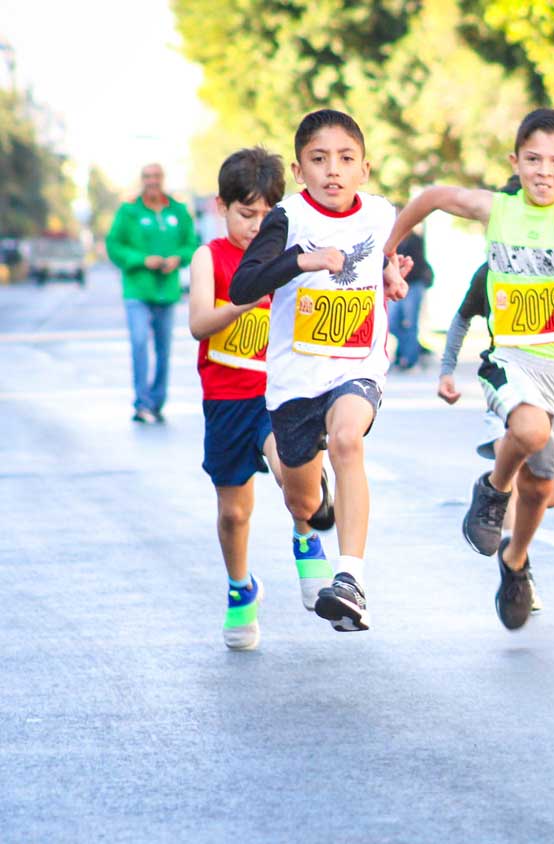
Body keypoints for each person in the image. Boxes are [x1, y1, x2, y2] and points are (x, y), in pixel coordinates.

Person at [385, 107, 554, 631]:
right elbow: (434, 197)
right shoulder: (498, 209)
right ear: (515, 162)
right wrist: (385, 249)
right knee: (528, 428)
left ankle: (516, 561)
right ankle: (491, 491)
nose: (544, 171)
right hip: (510, 359)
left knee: (545, 489)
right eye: (533, 159)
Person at [230, 109, 409, 633]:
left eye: (346, 160)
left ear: (365, 170)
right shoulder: (288, 219)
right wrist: (301, 262)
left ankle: (349, 579)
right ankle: (307, 527)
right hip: (294, 383)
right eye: (319, 160)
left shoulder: (380, 215)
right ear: (299, 168)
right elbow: (245, 286)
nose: (333, 170)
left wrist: (392, 276)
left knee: (349, 438)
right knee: (301, 498)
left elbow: (384, 260)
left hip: (356, 367)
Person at [189, 147, 336, 650]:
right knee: (235, 513)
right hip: (225, 400)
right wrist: (243, 301)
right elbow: (198, 324)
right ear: (221, 207)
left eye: (265, 215)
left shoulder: (288, 255)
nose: (254, 226)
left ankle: (305, 536)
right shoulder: (210, 257)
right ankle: (240, 590)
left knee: (288, 471)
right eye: (244, 214)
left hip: (276, 394)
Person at [106, 163, 199, 423]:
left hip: (167, 291)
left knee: (163, 348)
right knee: (138, 342)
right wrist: (141, 260)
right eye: (147, 177)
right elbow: (114, 245)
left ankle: (157, 402)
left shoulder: (177, 211)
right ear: (142, 179)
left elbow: (191, 244)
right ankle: (141, 402)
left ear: (163, 179)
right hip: (138, 289)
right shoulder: (129, 211)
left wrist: (178, 259)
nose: (152, 182)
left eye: (156, 177)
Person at [389, 225, 434, 370]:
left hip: (413, 285)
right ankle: (414, 347)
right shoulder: (394, 241)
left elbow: (417, 264)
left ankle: (410, 359)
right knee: (392, 322)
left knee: (411, 322)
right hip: (397, 284)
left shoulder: (415, 240)